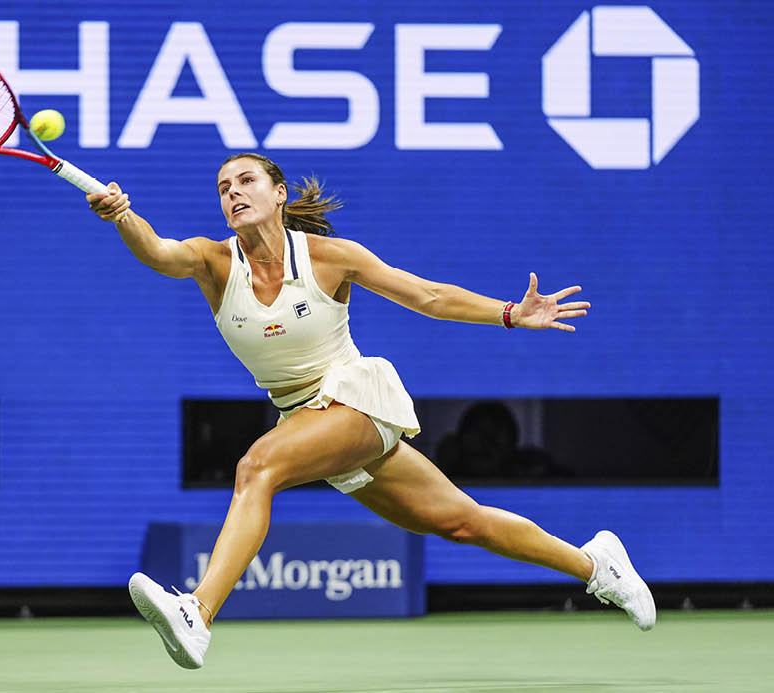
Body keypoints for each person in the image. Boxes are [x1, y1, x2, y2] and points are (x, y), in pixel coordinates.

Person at [86, 153, 656, 670]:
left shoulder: (331, 258)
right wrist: (122, 216)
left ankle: (198, 612)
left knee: (257, 468)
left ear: (279, 192)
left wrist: (511, 313)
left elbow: (428, 297)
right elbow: (159, 252)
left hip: (355, 399)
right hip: (306, 419)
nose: (232, 192)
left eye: (246, 180)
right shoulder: (212, 262)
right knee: (462, 521)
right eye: (222, 187)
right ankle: (597, 566)